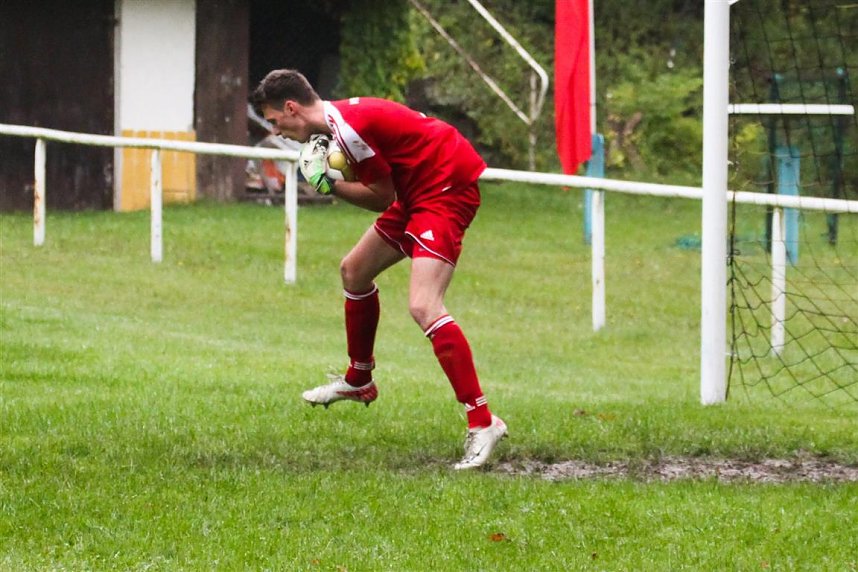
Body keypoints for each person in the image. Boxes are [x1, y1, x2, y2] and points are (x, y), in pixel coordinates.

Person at [251, 69, 506, 470]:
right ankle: (359, 380)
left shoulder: (348, 130)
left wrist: (327, 184)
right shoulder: (339, 125)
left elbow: (379, 198)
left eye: (273, 119)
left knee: (425, 305)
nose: (276, 129)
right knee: (354, 271)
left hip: (443, 185)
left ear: (291, 107)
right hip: (417, 187)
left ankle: (483, 420)